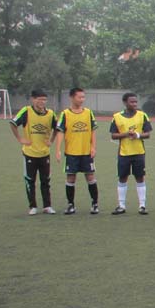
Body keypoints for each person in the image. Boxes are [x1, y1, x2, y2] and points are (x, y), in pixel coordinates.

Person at [9, 89, 58, 215]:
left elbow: (57, 128)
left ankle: (47, 206)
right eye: (40, 99)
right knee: (30, 181)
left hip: (44, 153)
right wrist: (20, 139)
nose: (42, 102)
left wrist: (51, 140)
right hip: (29, 153)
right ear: (33, 99)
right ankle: (33, 206)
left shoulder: (50, 114)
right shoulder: (26, 111)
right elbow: (13, 123)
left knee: (45, 181)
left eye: (44, 100)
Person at [55, 87, 99, 215]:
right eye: (79, 97)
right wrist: (58, 150)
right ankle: (71, 205)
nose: (82, 99)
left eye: (83, 97)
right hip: (71, 153)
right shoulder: (65, 114)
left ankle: (95, 204)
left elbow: (93, 131)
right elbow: (60, 132)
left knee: (90, 177)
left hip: (86, 152)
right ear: (72, 97)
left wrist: (93, 147)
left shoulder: (88, 113)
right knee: (70, 178)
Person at [109, 93, 152, 215]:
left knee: (140, 177)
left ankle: (142, 206)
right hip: (124, 153)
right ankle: (121, 206)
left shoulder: (142, 115)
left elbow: (148, 134)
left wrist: (137, 135)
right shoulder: (117, 117)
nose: (134, 104)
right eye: (132, 102)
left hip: (139, 152)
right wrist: (126, 134)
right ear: (125, 102)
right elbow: (113, 135)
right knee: (122, 178)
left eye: (135, 102)